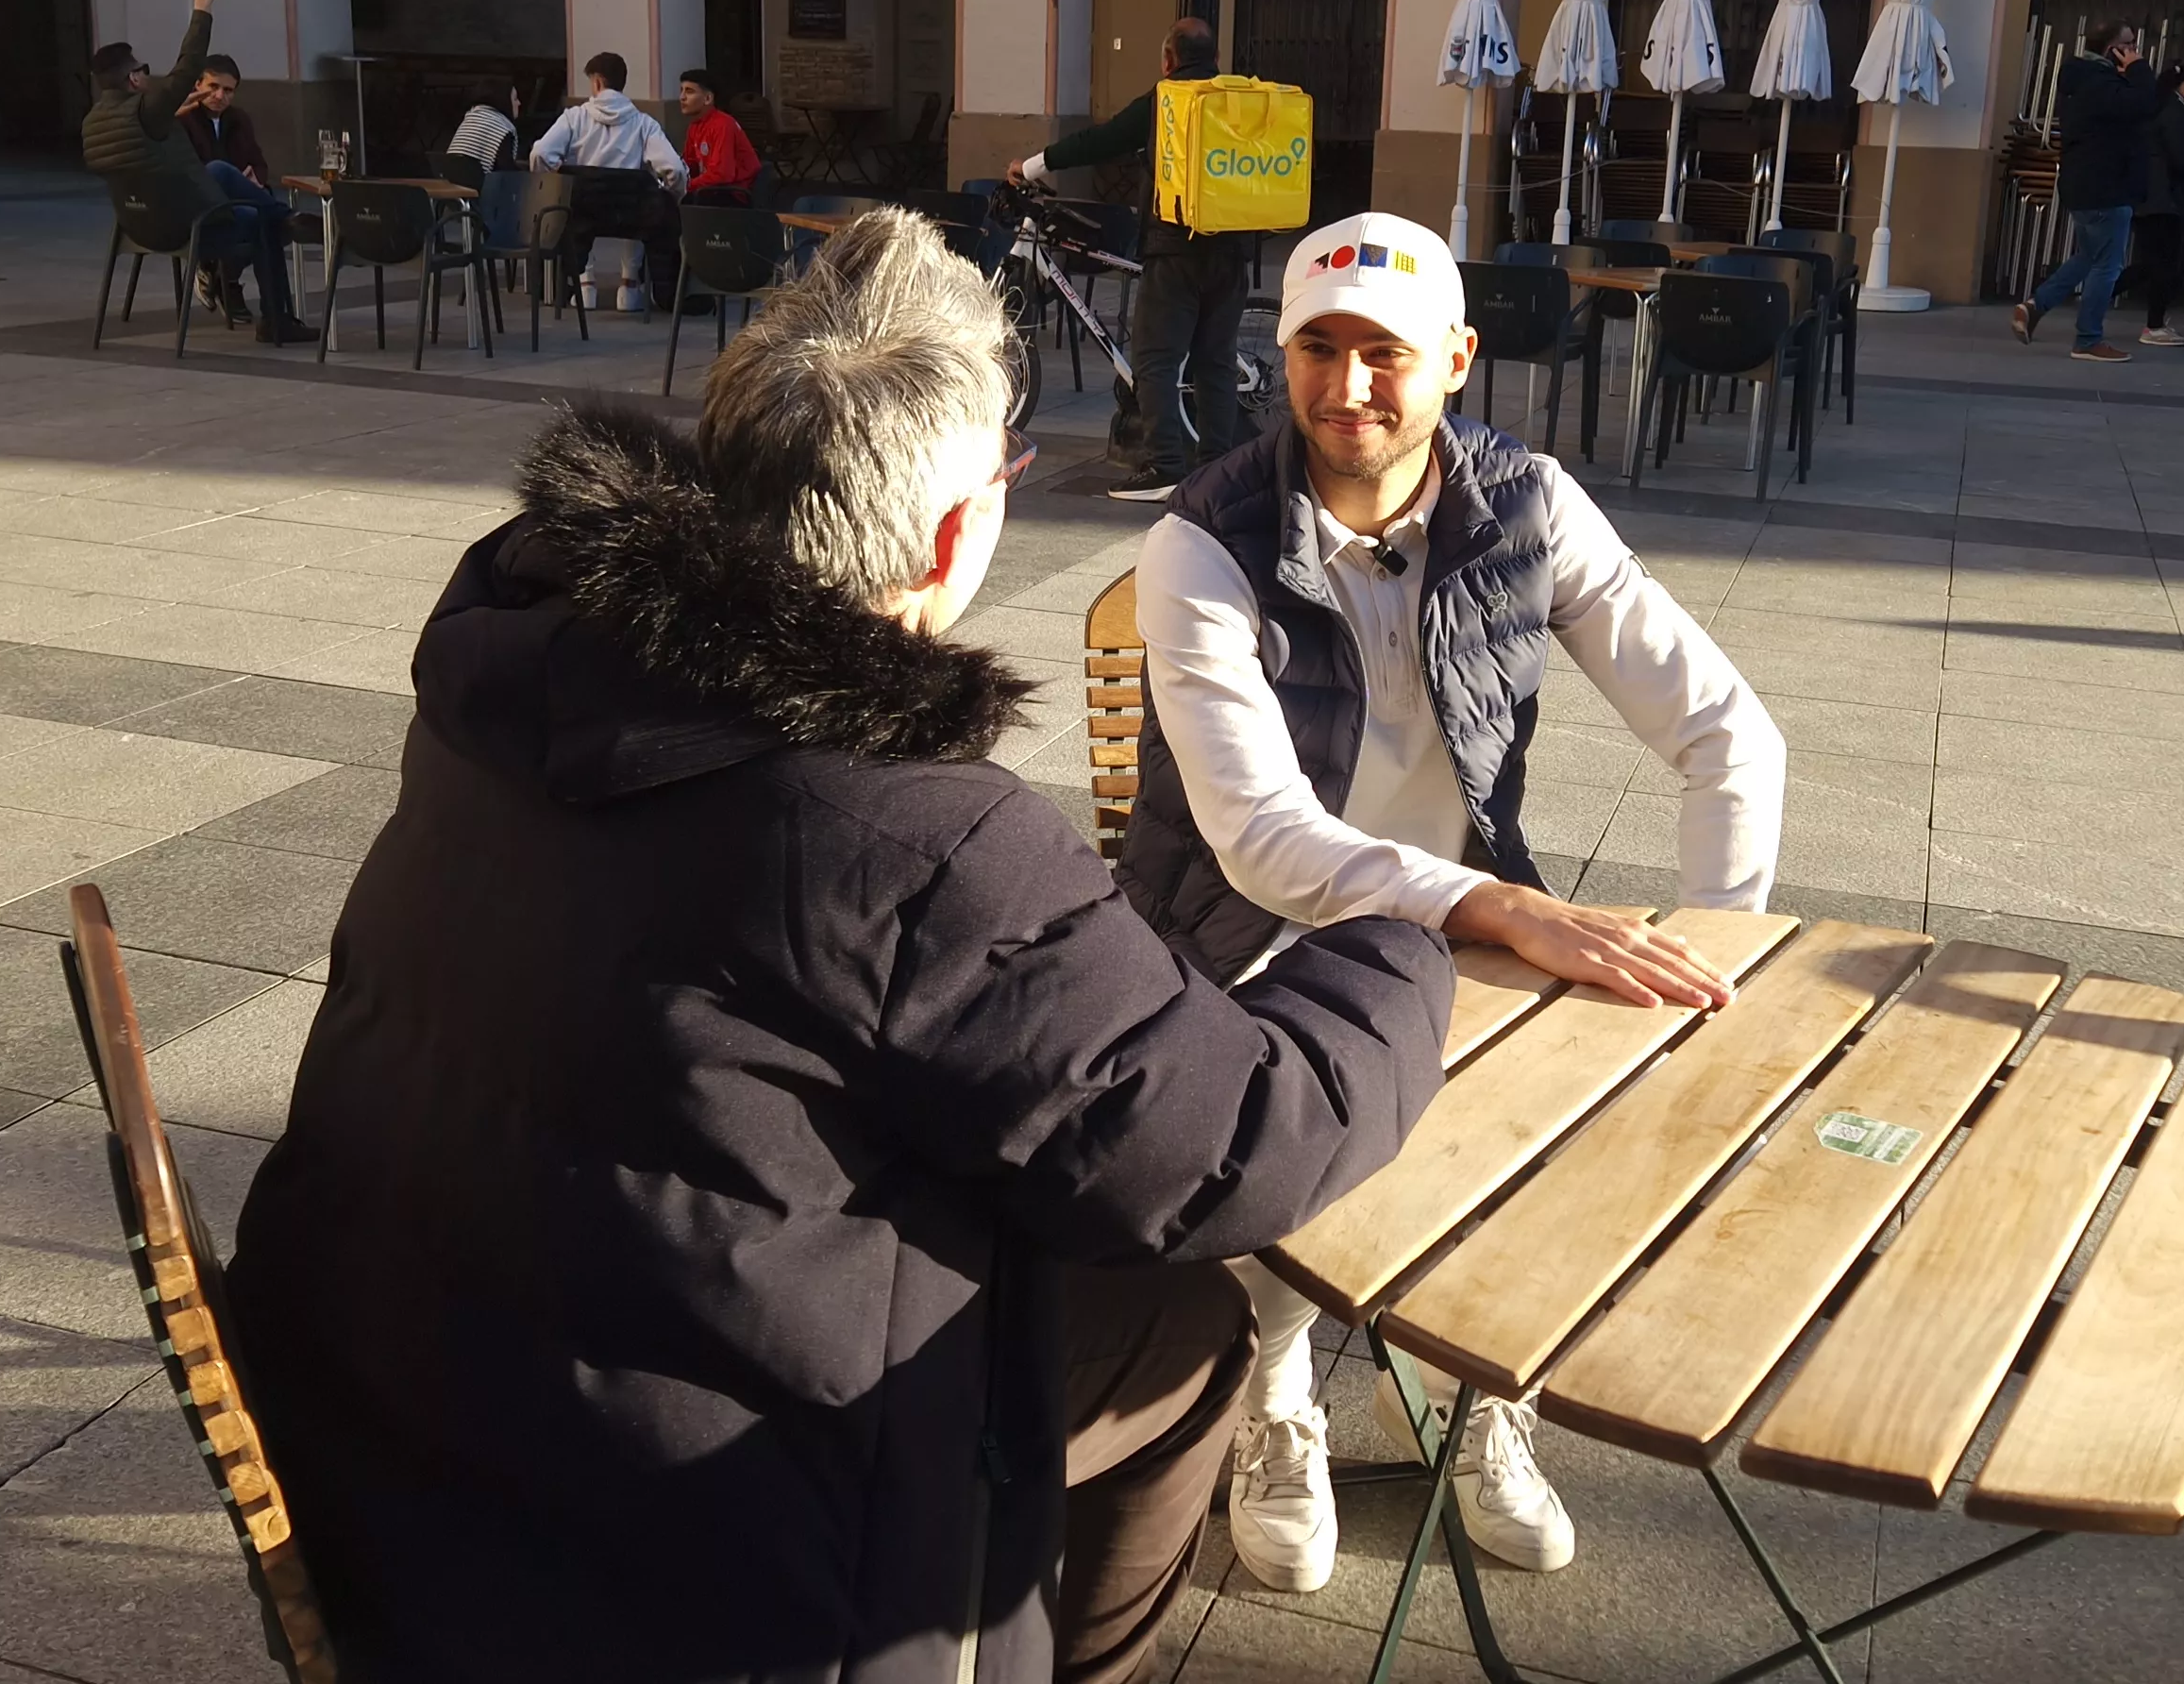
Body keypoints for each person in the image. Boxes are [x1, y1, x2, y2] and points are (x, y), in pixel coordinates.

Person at [222, 209, 1462, 1684]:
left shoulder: (528, 659)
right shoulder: (913, 834)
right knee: (1188, 1335)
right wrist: (1409, 934)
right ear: (955, 532)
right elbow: (1229, 1149)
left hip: (381, 1428)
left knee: (1151, 1326)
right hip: (686, 1550)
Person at [1117, 210, 1790, 1596]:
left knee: (1557, 1125)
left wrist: (1711, 966)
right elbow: (1261, 839)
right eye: (1318, 347)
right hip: (1245, 932)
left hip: (1467, 928)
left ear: (1459, 359)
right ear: (1280, 354)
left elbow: (1729, 733)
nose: (1348, 385)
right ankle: (1277, 1394)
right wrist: (1502, 907)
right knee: (1282, 1110)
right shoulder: (1203, 537)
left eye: (1387, 353)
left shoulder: (1528, 503)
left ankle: (1486, 1384)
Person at [1009, 18, 1245, 504]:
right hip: (1231, 252)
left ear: (1168, 61)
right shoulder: (1238, 101)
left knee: (1155, 360)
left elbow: (1102, 140)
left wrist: (1032, 165)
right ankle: (1217, 468)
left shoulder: (1165, 100)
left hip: (1175, 251)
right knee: (1215, 363)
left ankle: (1165, 467)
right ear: (1216, 60)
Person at [81, 0, 312, 345]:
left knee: (219, 169)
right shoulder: (146, 110)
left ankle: (285, 216)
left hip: (137, 226)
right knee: (263, 222)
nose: (148, 76)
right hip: (185, 227)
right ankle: (277, 317)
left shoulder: (94, 121)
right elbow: (188, 66)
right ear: (134, 78)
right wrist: (203, 5)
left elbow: (135, 151)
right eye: (143, 70)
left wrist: (165, 118)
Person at [2011, 22, 2169, 362]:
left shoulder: (2084, 78)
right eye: (2129, 45)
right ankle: (2088, 339)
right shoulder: (2101, 83)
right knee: (2108, 267)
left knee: (2089, 256)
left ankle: (2036, 306)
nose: (2135, 51)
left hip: (2086, 185)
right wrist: (2140, 69)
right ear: (2112, 50)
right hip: (2106, 186)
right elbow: (2143, 105)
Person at [529, 50, 690, 308]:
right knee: (643, 198)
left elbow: (540, 153)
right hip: (632, 214)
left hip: (583, 211)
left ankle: (585, 286)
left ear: (597, 82)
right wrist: (673, 193)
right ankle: (629, 286)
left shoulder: (574, 117)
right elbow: (674, 169)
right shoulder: (644, 123)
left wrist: (550, 180)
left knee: (577, 210)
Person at [178, 55, 304, 328]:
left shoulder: (238, 119)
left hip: (237, 201)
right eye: (212, 87)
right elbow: (188, 171)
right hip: (200, 205)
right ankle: (272, 316)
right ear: (197, 85)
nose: (219, 96)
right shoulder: (183, 119)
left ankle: (227, 279)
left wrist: (254, 179)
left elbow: (258, 163)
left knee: (267, 221)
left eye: (228, 90)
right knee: (227, 179)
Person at [2128, 57, 2184, 348]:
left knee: (2152, 265)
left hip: (2153, 198)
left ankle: (2098, 299)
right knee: (2161, 265)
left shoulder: (2166, 107)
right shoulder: (2174, 113)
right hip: (2164, 199)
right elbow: (2183, 158)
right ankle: (2153, 325)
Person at [676, 65, 763, 205]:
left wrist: (686, 186)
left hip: (734, 193)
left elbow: (722, 175)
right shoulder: (694, 126)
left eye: (689, 91)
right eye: (681, 91)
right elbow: (689, 164)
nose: (682, 97)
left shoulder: (723, 124)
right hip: (712, 190)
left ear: (708, 98)